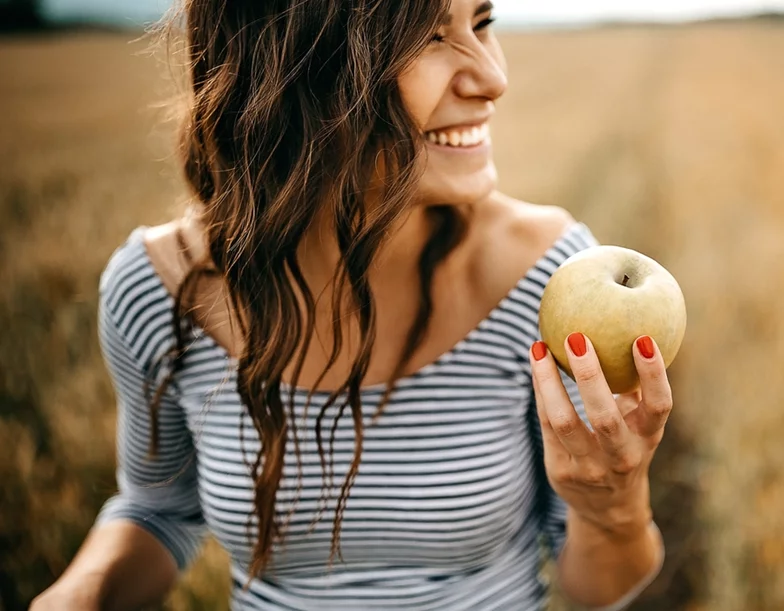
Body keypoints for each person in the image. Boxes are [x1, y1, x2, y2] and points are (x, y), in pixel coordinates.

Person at [31, 0, 671, 609]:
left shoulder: (547, 279)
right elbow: (157, 510)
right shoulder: (156, 291)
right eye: (428, 36)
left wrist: (610, 506)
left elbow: (599, 587)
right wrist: (80, 592)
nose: (493, 76)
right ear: (293, 64)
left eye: (483, 22)